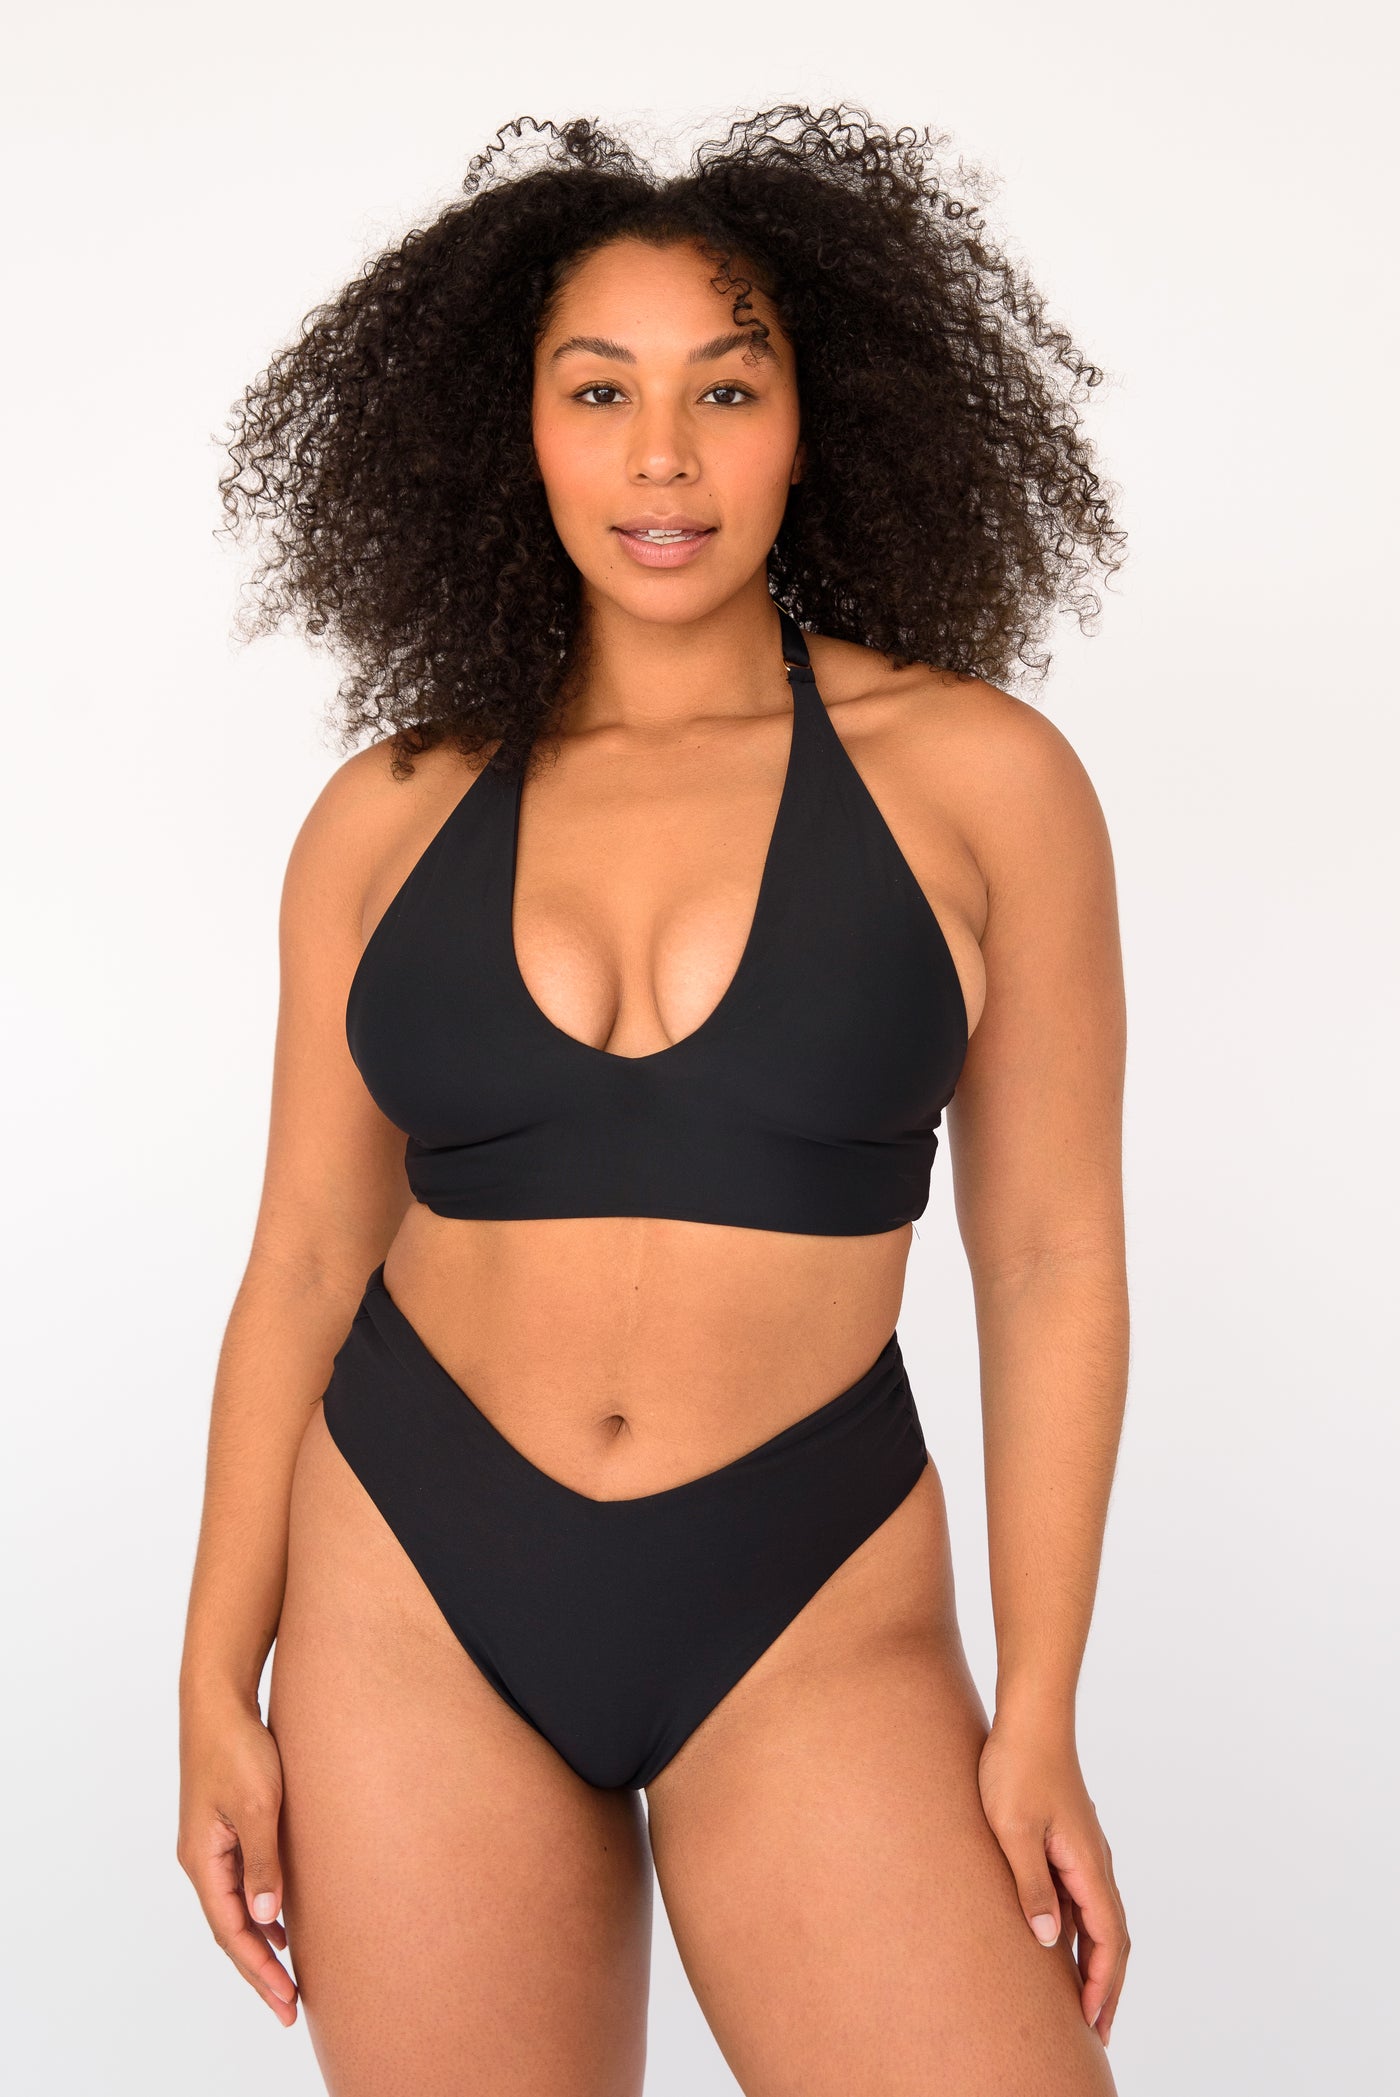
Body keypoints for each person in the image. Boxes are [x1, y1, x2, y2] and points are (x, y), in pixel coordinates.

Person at [178, 105, 1132, 2094]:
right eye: (600, 391)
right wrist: (211, 1675)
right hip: (410, 1582)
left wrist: (1038, 1699)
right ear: (511, 430)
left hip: (811, 1594)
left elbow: (1048, 1253)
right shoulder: (385, 813)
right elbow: (305, 1258)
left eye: (728, 389)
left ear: (817, 423)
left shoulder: (982, 780)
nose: (664, 459)